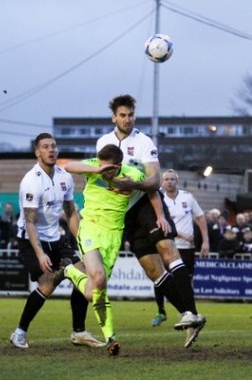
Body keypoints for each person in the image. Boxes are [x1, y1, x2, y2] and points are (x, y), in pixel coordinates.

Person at [96, 94, 206, 348]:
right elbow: (101, 177)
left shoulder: (144, 142)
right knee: (152, 268)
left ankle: (190, 311)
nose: (127, 119)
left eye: (131, 114)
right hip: (124, 214)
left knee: (168, 250)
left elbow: (155, 181)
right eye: (122, 115)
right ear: (114, 117)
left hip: (147, 204)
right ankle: (190, 316)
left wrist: (133, 185)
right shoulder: (103, 142)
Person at [9, 133, 103, 350]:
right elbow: (30, 223)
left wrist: (83, 243)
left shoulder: (64, 177)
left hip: (56, 238)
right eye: (45, 147)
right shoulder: (31, 181)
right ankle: (19, 333)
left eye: (53, 146)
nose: (51, 150)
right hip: (30, 240)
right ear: (37, 152)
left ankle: (79, 332)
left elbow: (70, 212)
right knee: (48, 283)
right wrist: (40, 254)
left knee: (83, 274)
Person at [62, 144, 147, 356]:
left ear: (118, 166)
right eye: (99, 164)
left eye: (106, 167)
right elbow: (68, 166)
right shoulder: (94, 165)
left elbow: (152, 187)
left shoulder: (132, 173)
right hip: (90, 227)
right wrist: (96, 170)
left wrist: (123, 182)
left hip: (113, 235)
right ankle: (111, 338)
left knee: (93, 292)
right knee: (99, 277)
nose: (101, 168)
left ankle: (70, 271)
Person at [151, 169, 210, 327]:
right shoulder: (158, 198)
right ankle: (161, 311)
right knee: (161, 278)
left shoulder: (187, 197)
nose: (169, 182)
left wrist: (205, 241)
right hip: (167, 246)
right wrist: (181, 234)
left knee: (186, 281)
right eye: (166, 179)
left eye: (172, 179)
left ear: (177, 181)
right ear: (162, 182)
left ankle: (189, 313)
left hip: (187, 248)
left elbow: (200, 218)